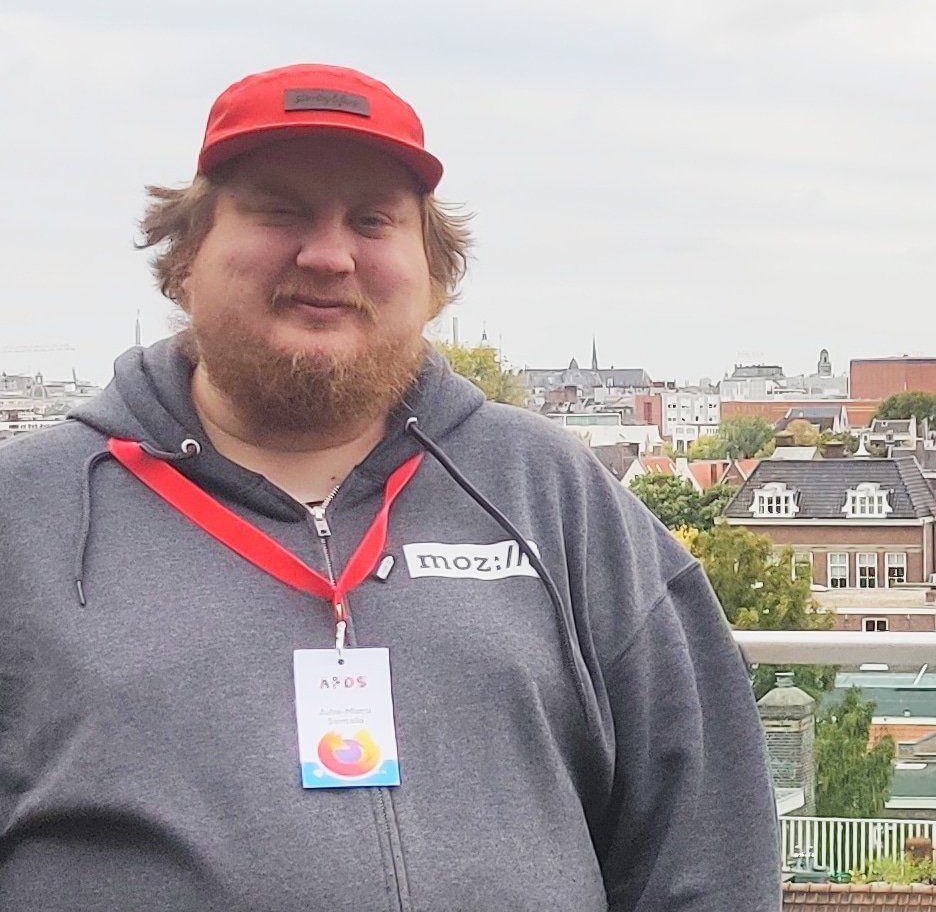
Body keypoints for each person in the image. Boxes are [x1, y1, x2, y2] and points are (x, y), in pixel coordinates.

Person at [0, 64, 780, 911]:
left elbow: (705, 835)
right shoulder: (29, 516)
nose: (328, 254)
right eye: (279, 211)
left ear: (435, 275)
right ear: (185, 255)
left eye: (372, 220)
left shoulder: (554, 495)